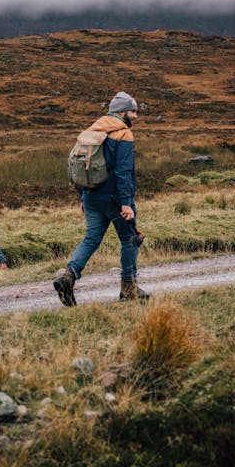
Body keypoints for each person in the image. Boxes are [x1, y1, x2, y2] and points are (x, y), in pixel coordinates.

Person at [54, 91, 149, 306]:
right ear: (122, 112)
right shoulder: (123, 134)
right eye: (133, 111)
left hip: (91, 196)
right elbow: (124, 172)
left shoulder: (91, 130)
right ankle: (128, 288)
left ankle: (68, 276)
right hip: (115, 199)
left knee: (91, 239)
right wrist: (126, 203)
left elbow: (79, 168)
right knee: (130, 239)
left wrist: (82, 197)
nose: (135, 116)